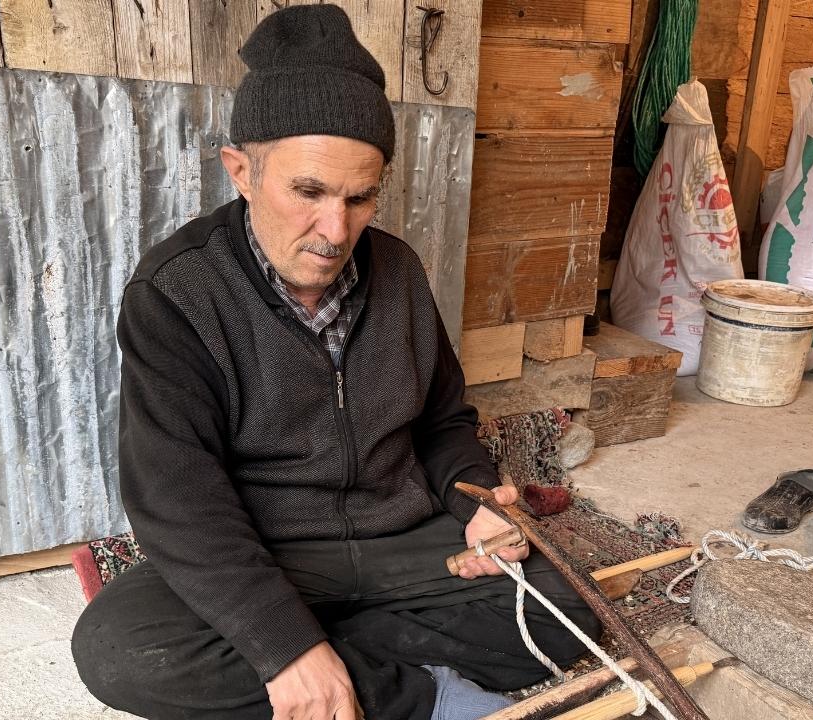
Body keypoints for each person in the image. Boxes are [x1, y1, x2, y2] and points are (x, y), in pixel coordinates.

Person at [70, 5, 601, 719]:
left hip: (398, 539)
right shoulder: (176, 292)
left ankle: (328, 663)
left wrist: (472, 502)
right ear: (242, 172)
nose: (335, 230)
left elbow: (443, 422)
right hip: (269, 552)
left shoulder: (400, 272)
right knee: (120, 649)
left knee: (569, 611)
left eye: (360, 198)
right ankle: (422, 696)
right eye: (308, 192)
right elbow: (176, 498)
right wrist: (283, 644)